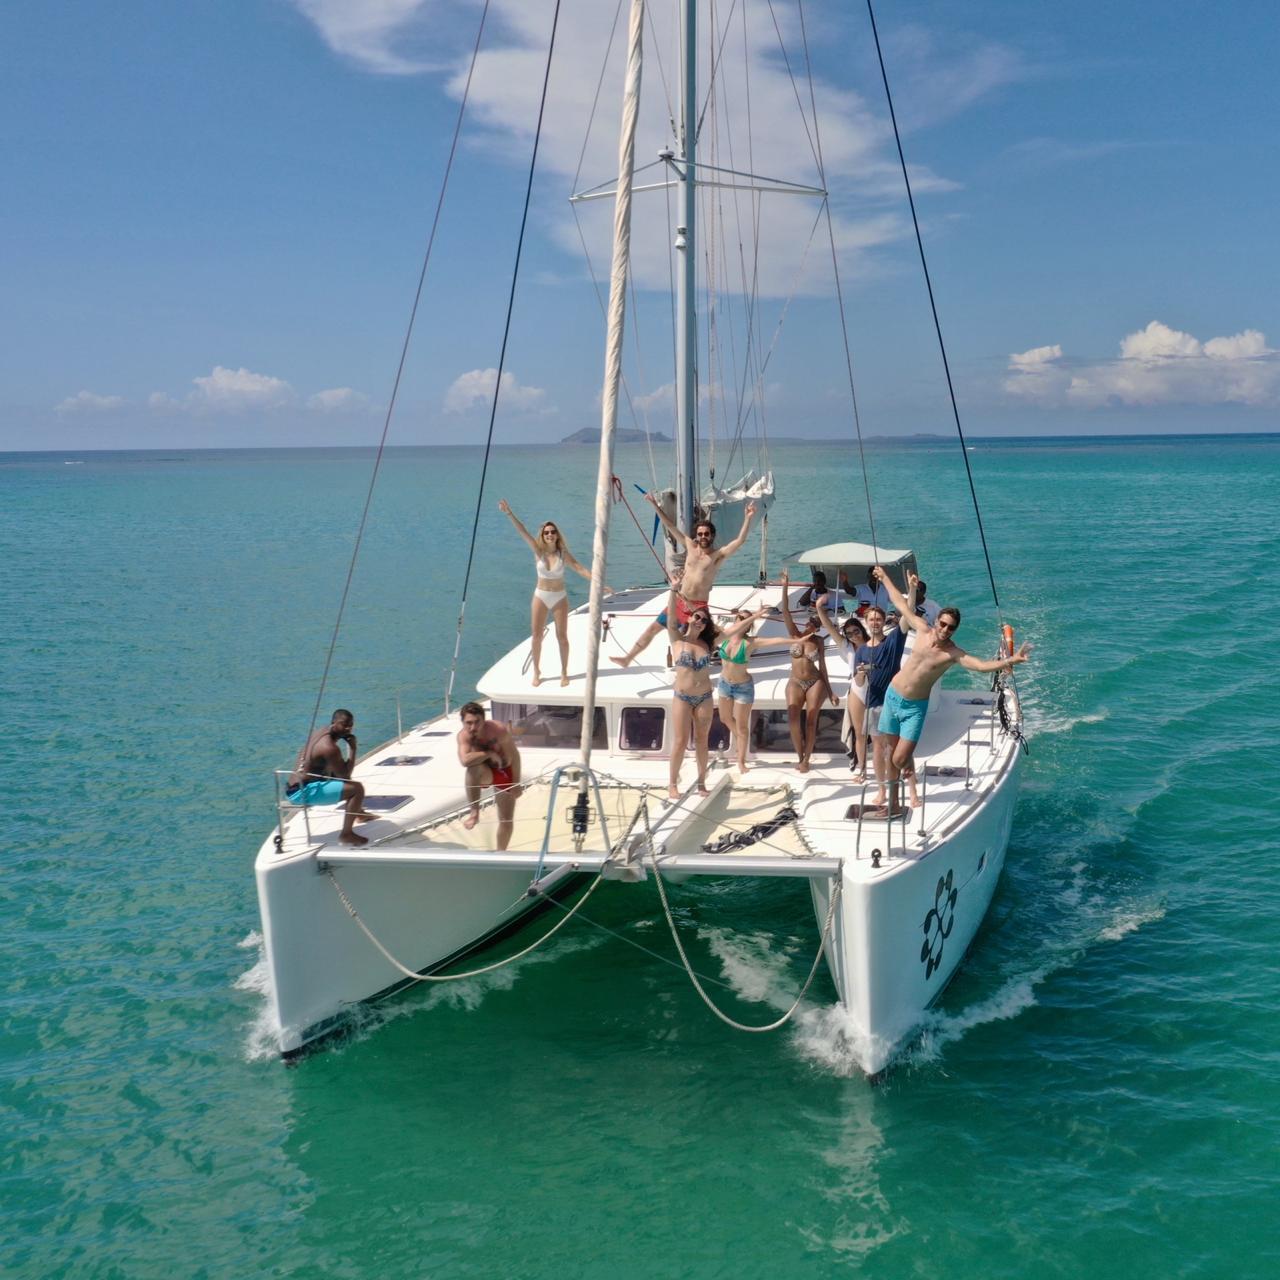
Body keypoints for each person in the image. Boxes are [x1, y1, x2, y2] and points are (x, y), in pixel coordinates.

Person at [871, 565, 1032, 814]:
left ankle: (900, 792)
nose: (945, 629)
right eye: (943, 624)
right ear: (937, 621)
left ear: (955, 630)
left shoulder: (952, 653)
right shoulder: (923, 630)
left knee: (899, 759)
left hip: (915, 707)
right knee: (890, 753)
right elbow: (900, 604)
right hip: (893, 697)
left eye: (951, 627)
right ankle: (893, 804)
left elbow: (980, 666)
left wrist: (1012, 660)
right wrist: (884, 578)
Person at [498, 500, 594, 687]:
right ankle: (536, 671)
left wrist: (598, 582)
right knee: (536, 636)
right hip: (541, 596)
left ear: (557, 535)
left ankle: (564, 672)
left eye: (552, 531)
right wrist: (509, 513)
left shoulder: (562, 553)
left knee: (562, 637)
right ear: (543, 535)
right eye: (546, 532)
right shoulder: (538, 550)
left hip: (559, 597)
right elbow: (523, 531)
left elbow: (580, 569)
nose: (550, 534)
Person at [853, 576, 919, 809]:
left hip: (894, 702)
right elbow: (859, 681)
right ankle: (882, 789)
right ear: (865, 621)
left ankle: (912, 791)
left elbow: (908, 613)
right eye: (871, 619)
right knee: (878, 750)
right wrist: (861, 672)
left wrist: (910, 589)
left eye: (879, 619)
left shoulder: (893, 641)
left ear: (883, 622)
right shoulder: (860, 651)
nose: (875, 622)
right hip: (873, 704)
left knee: (900, 748)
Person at [646, 494, 758, 625]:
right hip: (680, 601)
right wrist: (654, 505)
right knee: (651, 632)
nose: (703, 536)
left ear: (712, 536)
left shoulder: (718, 555)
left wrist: (748, 518)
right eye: (700, 534)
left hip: (698, 607)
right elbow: (670, 526)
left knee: (693, 640)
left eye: (706, 534)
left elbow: (740, 541)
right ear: (696, 536)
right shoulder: (690, 545)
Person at [714, 603, 794, 775]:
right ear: (735, 620)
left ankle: (741, 760)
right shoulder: (723, 635)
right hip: (724, 684)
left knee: (742, 726)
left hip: (743, 687)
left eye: (745, 619)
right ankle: (742, 739)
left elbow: (776, 641)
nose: (741, 620)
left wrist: (797, 640)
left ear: (748, 625)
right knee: (725, 718)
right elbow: (704, 619)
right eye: (740, 617)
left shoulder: (750, 642)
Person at [285, 709, 378, 846]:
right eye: (344, 725)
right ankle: (346, 834)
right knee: (356, 789)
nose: (348, 729)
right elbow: (346, 776)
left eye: (351, 725)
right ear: (334, 723)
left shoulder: (322, 731)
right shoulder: (329, 748)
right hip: (302, 792)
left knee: (336, 774)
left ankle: (360, 814)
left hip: (297, 785)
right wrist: (353, 749)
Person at [780, 570, 836, 774]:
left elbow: (823, 667)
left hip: (814, 681)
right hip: (795, 680)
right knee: (793, 718)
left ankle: (807, 759)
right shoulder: (794, 635)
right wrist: (785, 586)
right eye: (809, 622)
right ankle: (800, 755)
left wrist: (830, 691)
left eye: (815, 623)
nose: (810, 624)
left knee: (812, 721)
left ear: (818, 628)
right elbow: (785, 611)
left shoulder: (819, 642)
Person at [664, 583, 718, 798]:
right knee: (680, 741)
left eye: (704, 621)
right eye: (697, 618)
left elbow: (732, 631)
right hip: (683, 697)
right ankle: (672, 783)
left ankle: (702, 783)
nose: (700, 622)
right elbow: (669, 620)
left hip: (704, 697)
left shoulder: (708, 644)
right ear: (687, 618)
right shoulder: (677, 641)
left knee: (702, 741)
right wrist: (673, 592)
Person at [814, 598, 871, 780]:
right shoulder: (846, 647)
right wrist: (818, 608)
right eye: (849, 633)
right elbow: (829, 627)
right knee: (860, 734)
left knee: (879, 734)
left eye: (856, 631)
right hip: (857, 689)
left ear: (862, 630)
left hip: (875, 690)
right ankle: (862, 770)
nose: (854, 635)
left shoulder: (874, 645)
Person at [456, 701, 522, 851]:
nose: (473, 727)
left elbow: (515, 755)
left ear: (483, 720)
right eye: (468, 723)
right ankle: (474, 811)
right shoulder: (463, 736)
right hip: (484, 772)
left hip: (505, 772)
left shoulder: (497, 730)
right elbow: (464, 760)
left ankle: (501, 852)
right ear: (463, 722)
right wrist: (489, 753)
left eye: (477, 722)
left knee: (506, 820)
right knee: (472, 769)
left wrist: (516, 783)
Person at [610, 569, 682, 668]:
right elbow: (671, 571)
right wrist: (674, 575)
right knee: (652, 629)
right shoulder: (680, 564)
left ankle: (683, 665)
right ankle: (627, 659)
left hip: (689, 606)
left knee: (681, 637)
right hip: (677, 603)